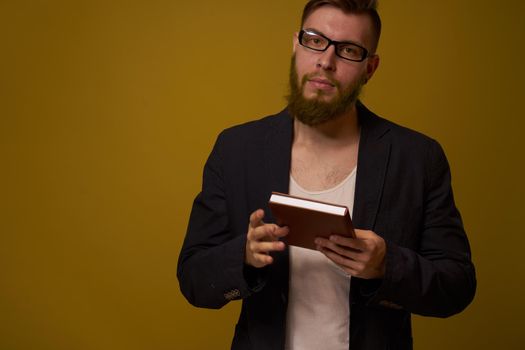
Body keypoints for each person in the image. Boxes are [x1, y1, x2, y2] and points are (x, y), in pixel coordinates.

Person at [177, 0, 476, 349]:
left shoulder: (418, 157)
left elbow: (458, 286)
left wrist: (386, 264)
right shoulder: (236, 149)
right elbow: (193, 279)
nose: (326, 61)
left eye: (349, 50)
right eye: (315, 40)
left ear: (370, 67)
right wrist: (241, 255)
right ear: (296, 45)